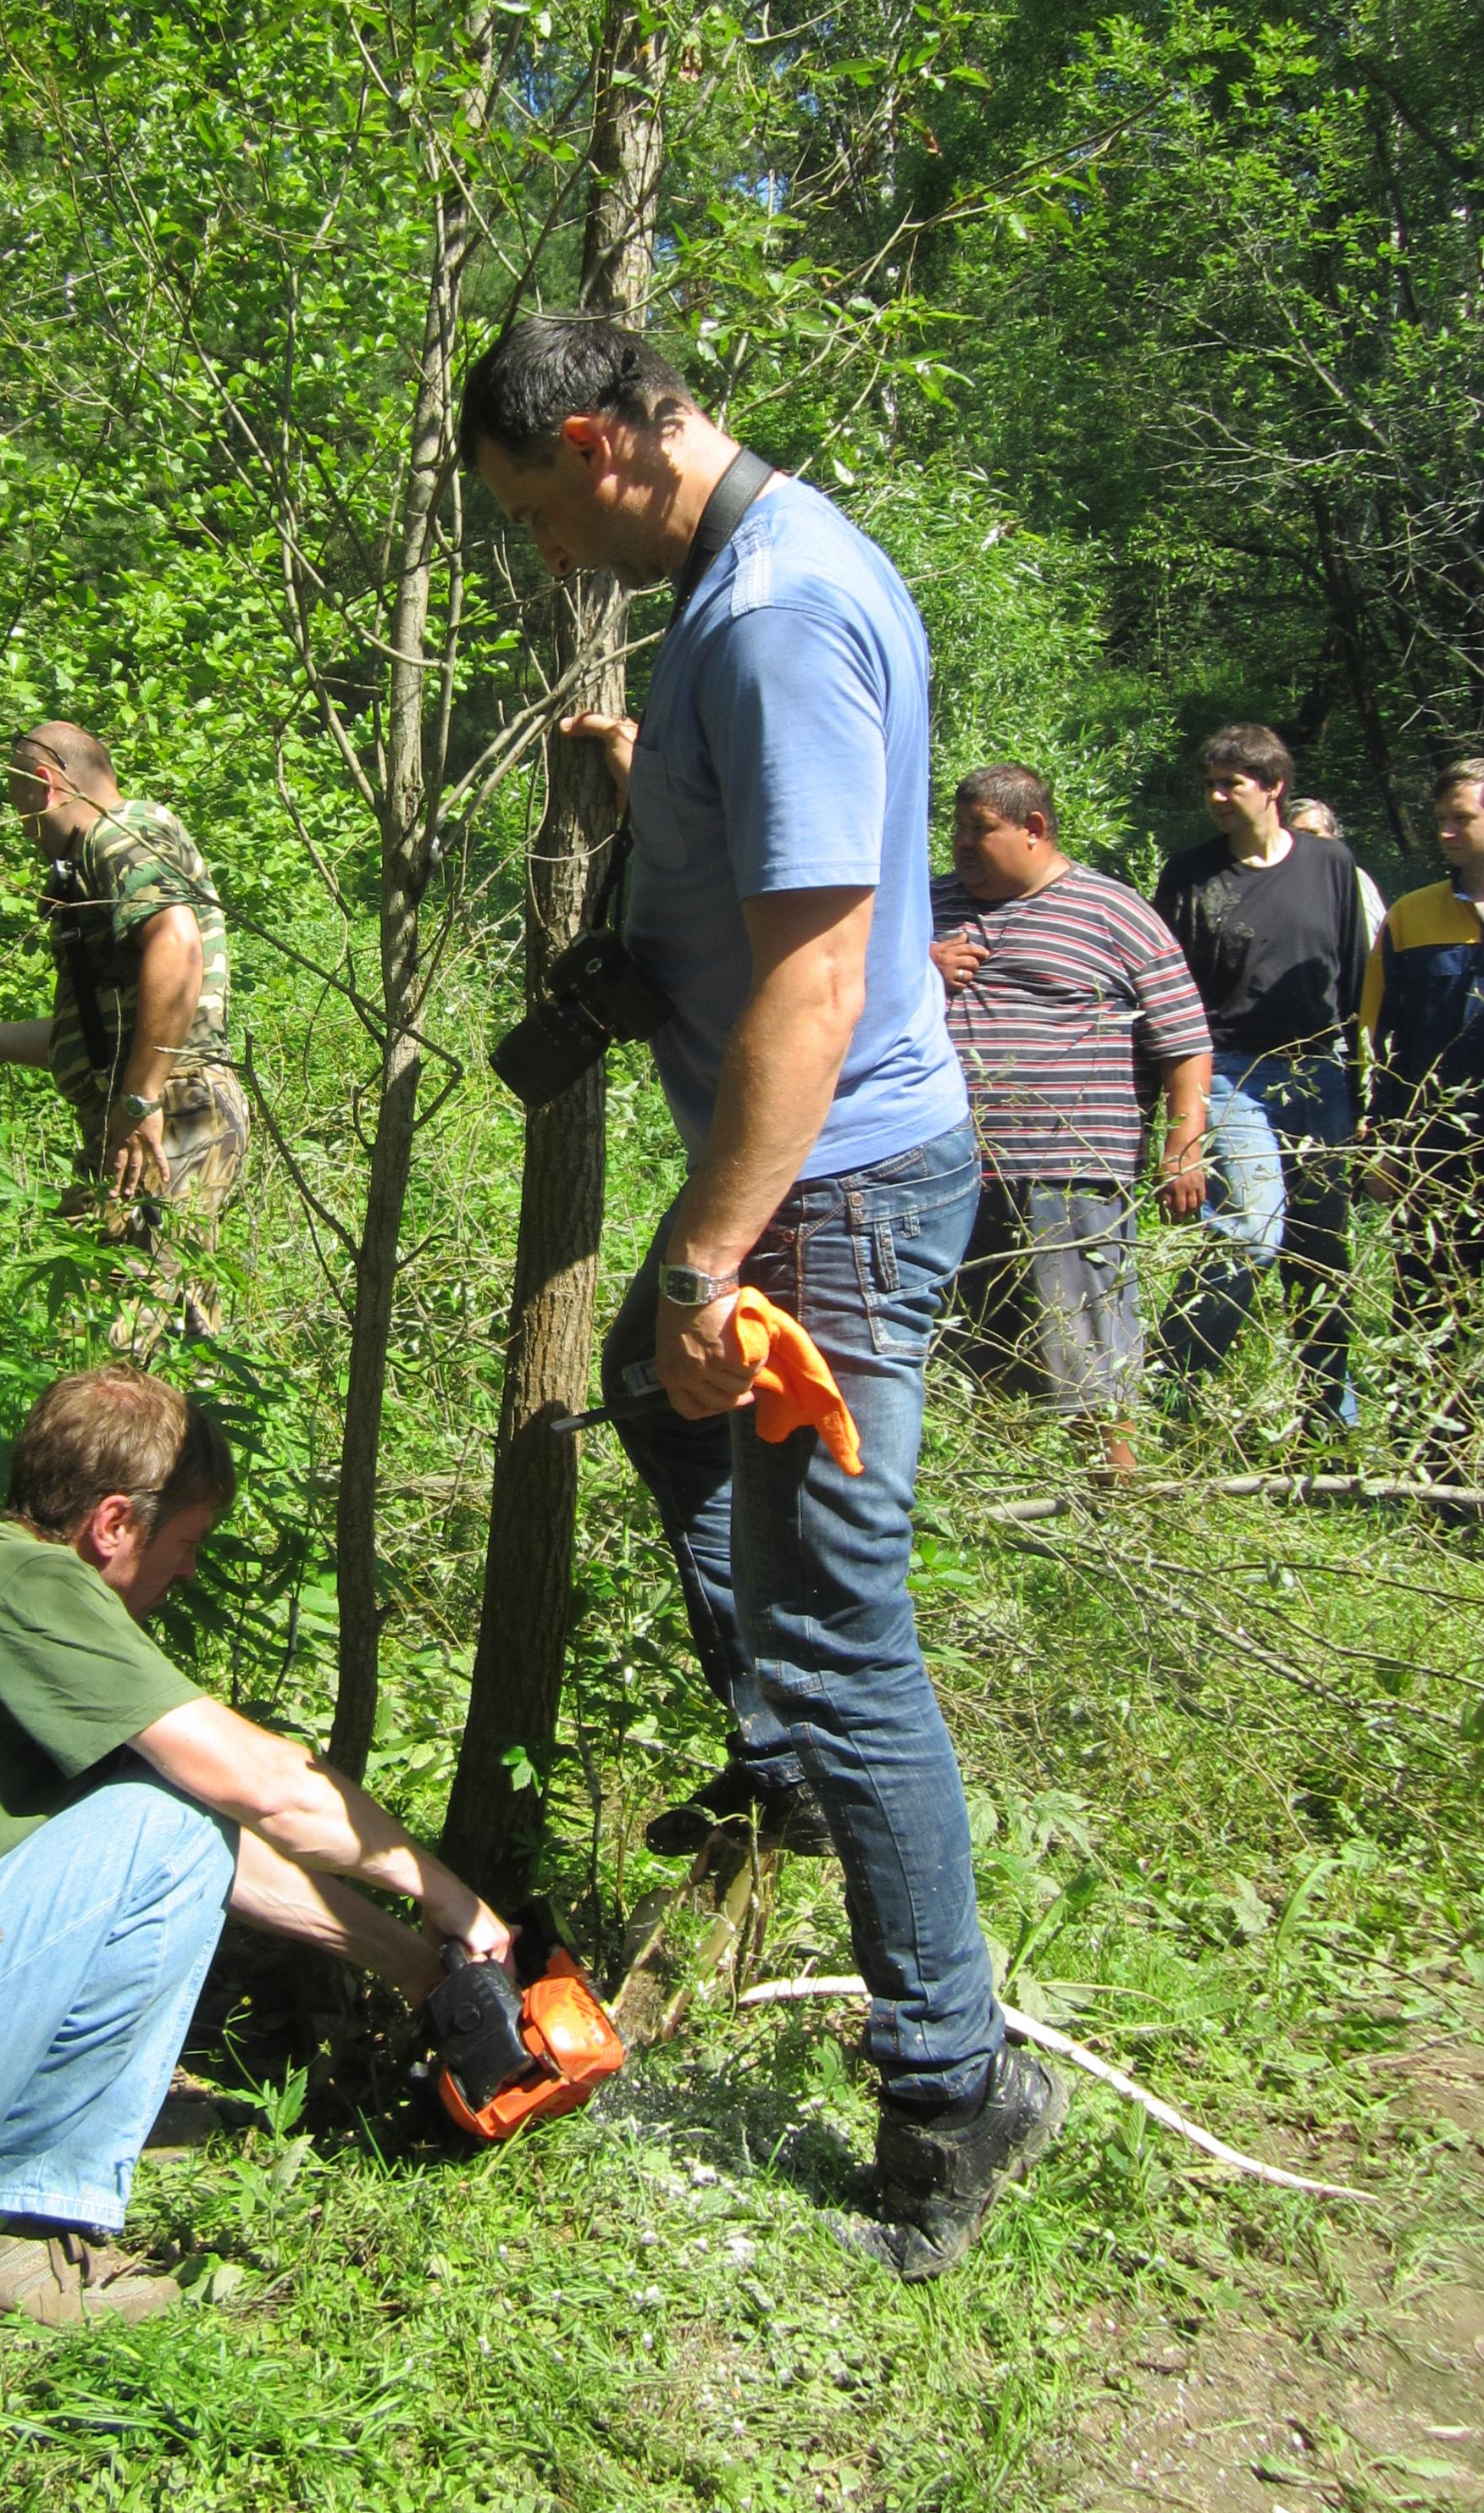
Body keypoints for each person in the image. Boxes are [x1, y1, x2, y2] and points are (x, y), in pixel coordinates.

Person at [460, 312, 1062, 2283]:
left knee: (837, 1623)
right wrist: (669, 786)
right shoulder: (756, 585)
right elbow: (795, 839)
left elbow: (816, 978)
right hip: (820, 1173)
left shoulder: (776, 609)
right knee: (657, 1405)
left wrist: (708, 1259)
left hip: (833, 1189)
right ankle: (791, 1757)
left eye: (538, 510)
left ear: (595, 441)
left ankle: (955, 2084)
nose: (551, 555)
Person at [0, 1366, 511, 2327]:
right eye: (189, 1542)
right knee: (176, 1815)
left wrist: (418, 1967)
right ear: (115, 1523)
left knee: (171, 1815)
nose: (190, 1572)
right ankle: (14, 2225)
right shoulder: (33, 1584)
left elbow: (210, 1849)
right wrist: (447, 1894)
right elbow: (262, 1788)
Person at [0, 725, 248, 1337]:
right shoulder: (112, 850)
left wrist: (139, 1099)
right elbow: (100, 1040)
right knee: (174, 1335)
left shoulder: (114, 834)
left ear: (45, 785)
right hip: (172, 1105)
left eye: (18, 806)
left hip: (166, 1109)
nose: (22, 828)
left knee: (115, 1338)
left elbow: (178, 945)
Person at [930, 766, 1213, 1473]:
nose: (960, 843)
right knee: (972, 1347)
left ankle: (1117, 1497)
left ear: (1033, 829)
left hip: (1070, 1167)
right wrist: (918, 965)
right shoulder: (926, 905)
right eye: (956, 827)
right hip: (946, 1168)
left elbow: (1184, 1041)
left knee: (1088, 1352)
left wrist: (1183, 1145)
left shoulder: (1110, 909)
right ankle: (1003, 1496)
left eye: (978, 829)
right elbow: (850, 991)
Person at [1153, 726, 1369, 1433]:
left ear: (1272, 787)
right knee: (1249, 1229)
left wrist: (1362, 1092)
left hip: (1320, 1072)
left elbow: (1353, 975)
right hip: (1229, 1072)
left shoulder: (1329, 863)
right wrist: (1174, 1116)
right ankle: (1166, 1390)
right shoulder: (1190, 873)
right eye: (1209, 784)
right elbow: (1165, 993)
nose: (1216, 797)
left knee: (1321, 1248)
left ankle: (1328, 1418)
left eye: (1231, 784)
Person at [1360, 754, 1484, 1301]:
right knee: (1428, 1303)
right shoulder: (1411, 916)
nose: (1444, 832)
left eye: (1461, 818)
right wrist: (1382, 1141)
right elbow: (1383, 1039)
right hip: (1433, 1147)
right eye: (1440, 818)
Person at [1288, 798, 1387, 948]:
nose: (1306, 841)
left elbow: (1382, 931)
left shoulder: (1356, 877)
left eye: (1313, 833)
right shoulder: (1282, 884)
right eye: (1298, 835)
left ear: (1333, 836)